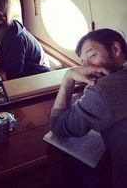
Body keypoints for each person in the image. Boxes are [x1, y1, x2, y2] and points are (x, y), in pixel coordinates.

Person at [50, 28, 127, 188]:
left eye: (92, 55)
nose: (88, 68)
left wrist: (69, 76)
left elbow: (58, 126)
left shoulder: (103, 90)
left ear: (116, 49)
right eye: (83, 63)